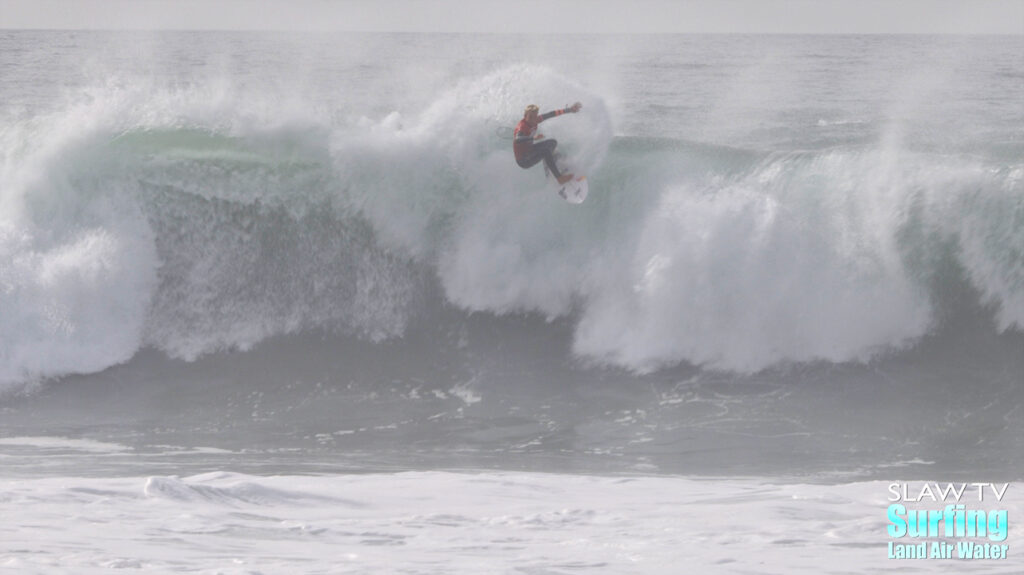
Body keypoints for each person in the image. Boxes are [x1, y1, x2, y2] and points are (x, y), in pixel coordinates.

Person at [513, 102, 582, 185]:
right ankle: (560, 178)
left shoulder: (536, 120)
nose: (532, 119)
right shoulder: (522, 126)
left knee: (552, 143)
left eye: (534, 117)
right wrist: (533, 138)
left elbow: (551, 114)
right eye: (530, 117)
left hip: (530, 151)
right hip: (523, 160)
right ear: (525, 116)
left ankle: (551, 161)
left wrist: (569, 110)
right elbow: (518, 139)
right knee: (545, 151)